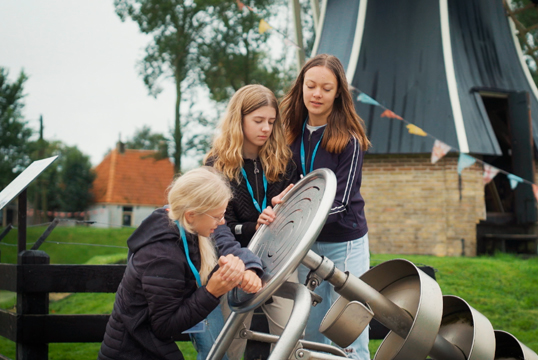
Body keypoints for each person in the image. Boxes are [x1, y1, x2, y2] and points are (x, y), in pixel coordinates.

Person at [98, 167, 263, 360]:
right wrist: (211, 292)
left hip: (149, 345)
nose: (221, 222)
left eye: (223, 215)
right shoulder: (162, 258)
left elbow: (226, 242)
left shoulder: (187, 223)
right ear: (191, 215)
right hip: (131, 352)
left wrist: (249, 268)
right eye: (217, 216)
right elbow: (165, 326)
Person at [280, 53, 371, 360]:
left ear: (338, 94)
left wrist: (295, 223)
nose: (317, 94)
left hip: (344, 243)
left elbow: (342, 203)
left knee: (348, 331)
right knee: (313, 331)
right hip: (306, 245)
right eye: (311, 86)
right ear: (301, 87)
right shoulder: (289, 136)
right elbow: (282, 190)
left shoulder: (349, 141)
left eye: (326, 88)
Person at [201, 84, 296, 360]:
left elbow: (298, 216)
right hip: (234, 263)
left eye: (271, 122)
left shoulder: (284, 161)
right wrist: (256, 225)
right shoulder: (216, 165)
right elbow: (219, 227)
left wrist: (284, 210)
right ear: (238, 119)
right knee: (232, 343)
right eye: (258, 121)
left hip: (278, 258)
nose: (265, 128)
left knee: (291, 338)